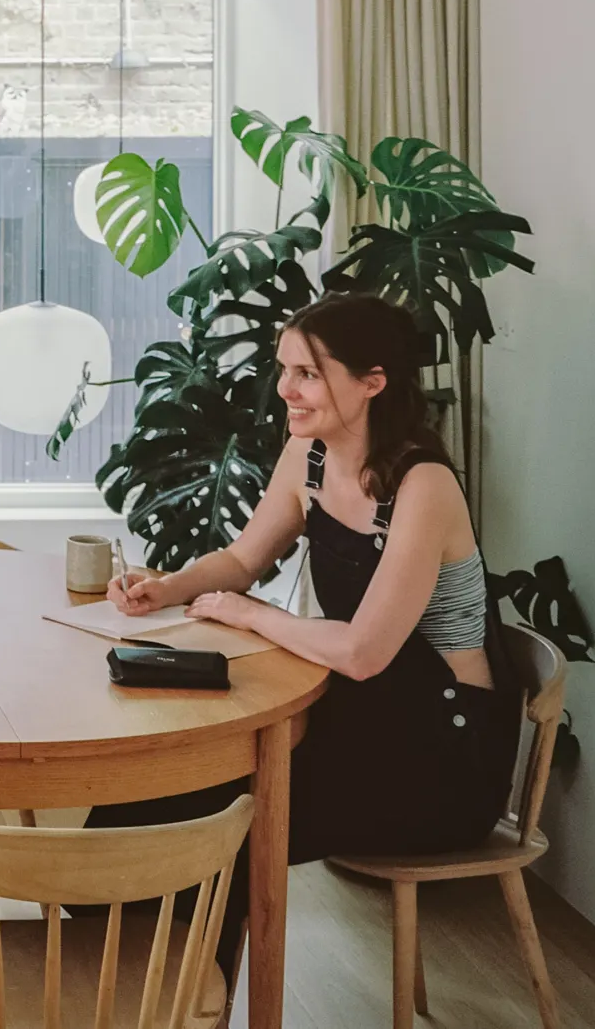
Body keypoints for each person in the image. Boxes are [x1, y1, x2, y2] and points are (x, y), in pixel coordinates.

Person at [87, 290, 521, 971]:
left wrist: (249, 612)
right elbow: (241, 560)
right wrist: (164, 588)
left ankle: (187, 1001)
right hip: (365, 720)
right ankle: (120, 988)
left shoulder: (422, 486)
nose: (285, 388)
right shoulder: (311, 457)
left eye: (308, 374)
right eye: (283, 368)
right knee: (142, 804)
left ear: (373, 383)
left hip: (440, 756)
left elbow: (363, 651)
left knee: (220, 830)